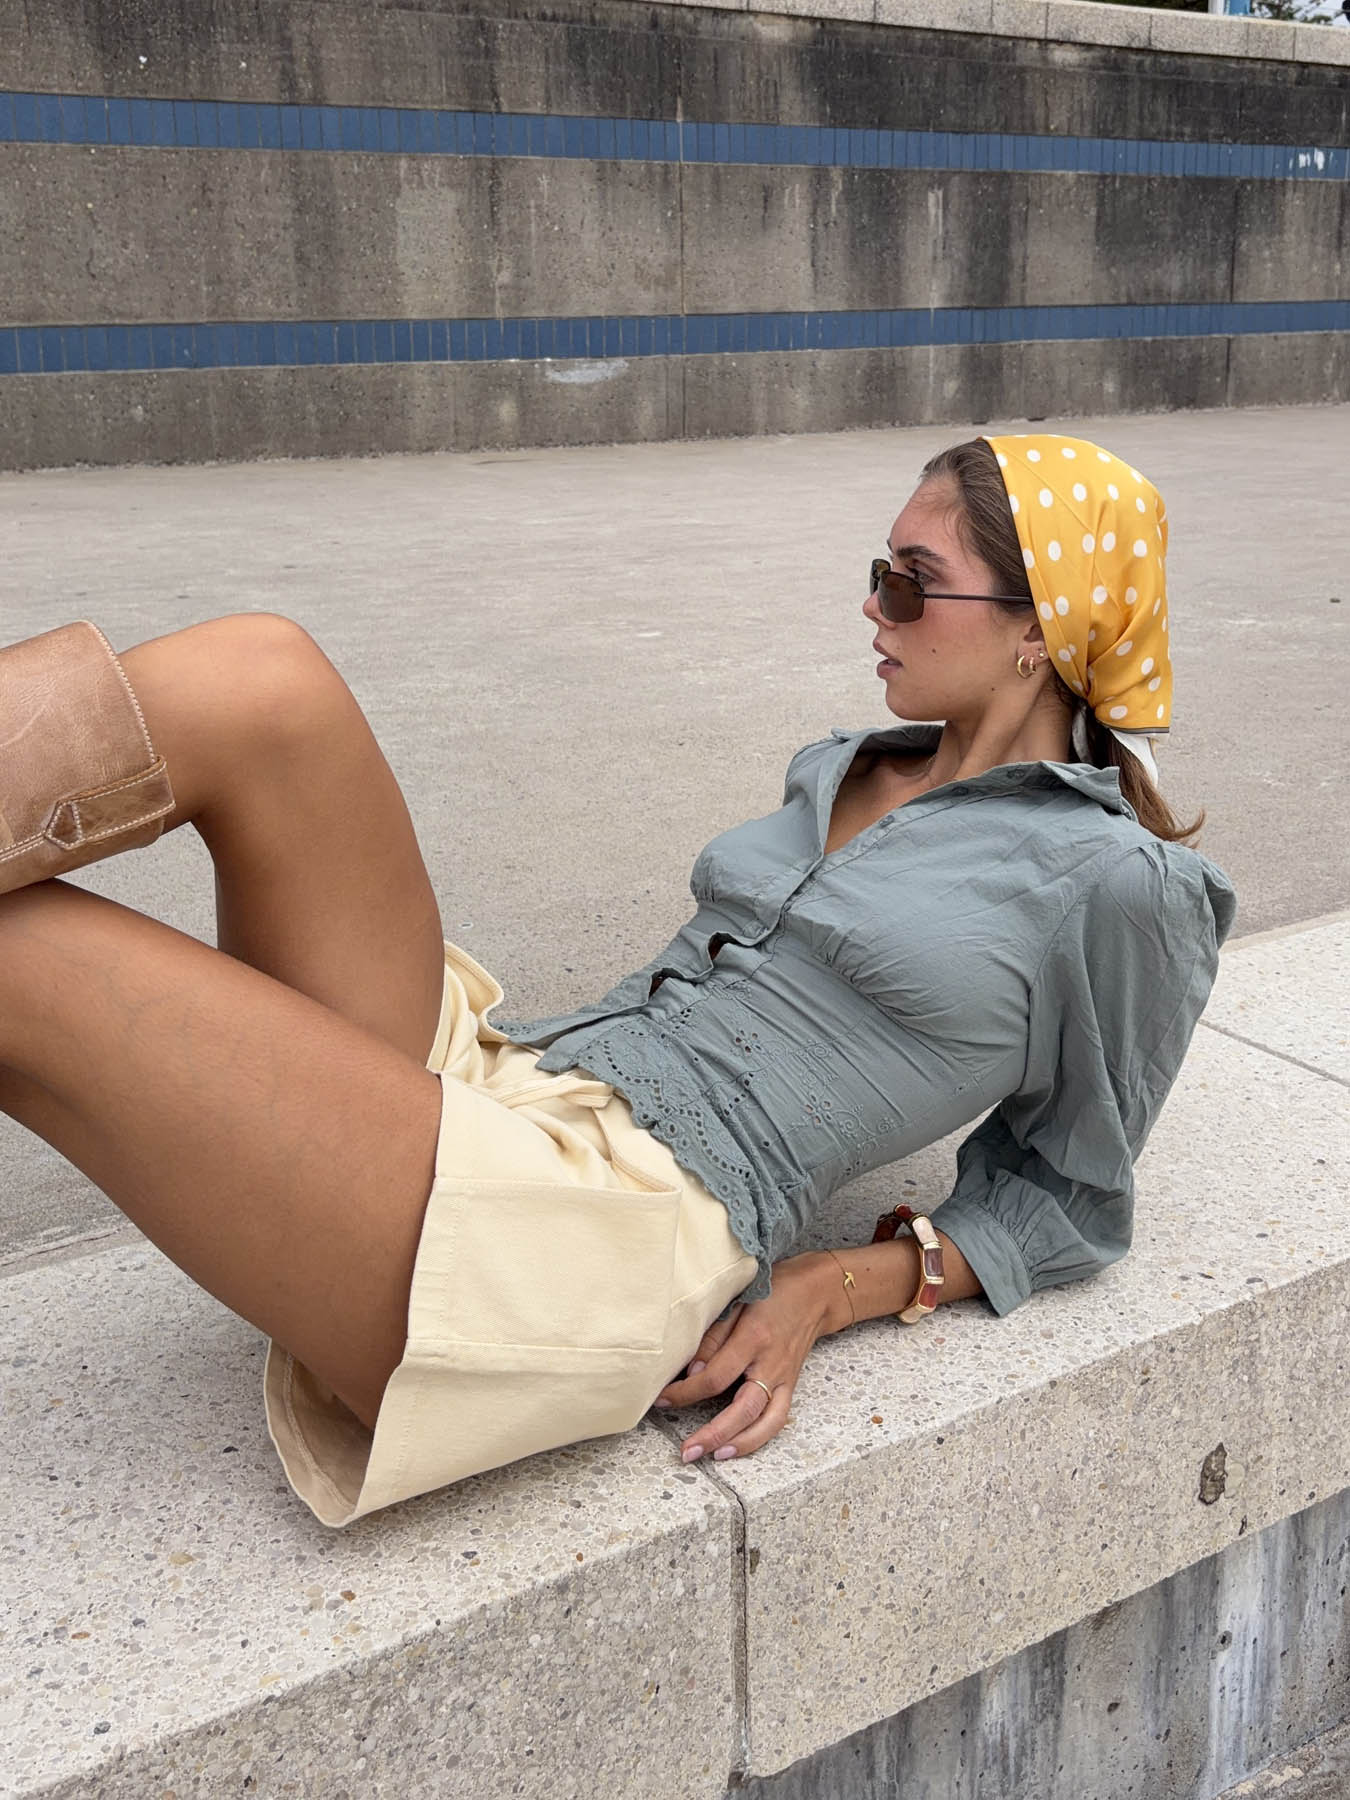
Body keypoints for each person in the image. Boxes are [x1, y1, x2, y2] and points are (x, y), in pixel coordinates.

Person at [0, 432, 1234, 1527]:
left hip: (610, 1226)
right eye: (879, 572)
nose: (875, 607)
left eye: (913, 583)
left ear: (1039, 629)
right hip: (522, 1080)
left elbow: (1068, 1194)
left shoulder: (1117, 883)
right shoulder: (845, 762)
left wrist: (830, 1288)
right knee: (264, 676)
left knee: (24, 960)